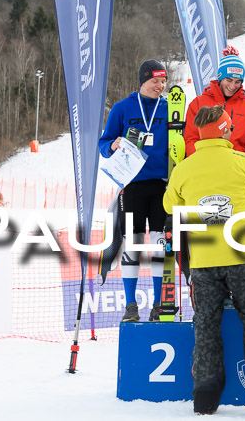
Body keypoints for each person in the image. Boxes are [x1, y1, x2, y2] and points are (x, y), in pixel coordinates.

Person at [163, 105, 245, 415]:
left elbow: (170, 204)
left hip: (202, 261)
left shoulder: (185, 167)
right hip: (244, 257)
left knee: (206, 325)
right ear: (227, 130)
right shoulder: (243, 161)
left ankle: (205, 397)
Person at [98, 59, 169, 323]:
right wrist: (113, 144)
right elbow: (103, 143)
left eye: (163, 81)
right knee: (133, 244)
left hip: (162, 187)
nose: (159, 86)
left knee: (160, 246)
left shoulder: (170, 107)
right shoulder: (123, 108)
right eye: (154, 81)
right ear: (143, 81)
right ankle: (131, 306)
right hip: (133, 186)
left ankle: (159, 304)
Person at [183, 46, 245, 167]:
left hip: (238, 168)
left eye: (238, 81)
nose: (233, 86)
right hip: (206, 166)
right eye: (229, 80)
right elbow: (191, 139)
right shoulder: (199, 103)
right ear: (220, 78)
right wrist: (199, 164)